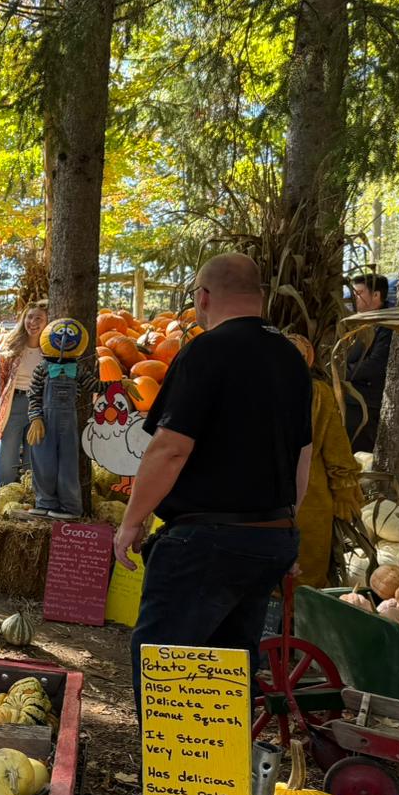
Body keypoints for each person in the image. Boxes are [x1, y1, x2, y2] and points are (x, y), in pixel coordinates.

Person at [113, 253, 312, 708]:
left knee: (164, 663)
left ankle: (172, 772)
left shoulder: (206, 351)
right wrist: (288, 521)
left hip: (207, 539)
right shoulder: (291, 357)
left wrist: (132, 521)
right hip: (270, 536)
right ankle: (219, 773)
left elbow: (171, 447)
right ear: (259, 295)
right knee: (228, 671)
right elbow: (304, 454)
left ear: (203, 297)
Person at [288, 334, 365, 588]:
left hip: (274, 503)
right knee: (304, 578)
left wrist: (344, 487)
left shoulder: (252, 391)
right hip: (308, 498)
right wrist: (345, 487)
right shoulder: (317, 393)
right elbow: (337, 452)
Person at [24, 317, 93, 519]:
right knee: (43, 463)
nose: (63, 340)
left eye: (69, 336)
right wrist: (36, 417)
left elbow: (93, 385)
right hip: (44, 423)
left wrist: (118, 385)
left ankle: (70, 507)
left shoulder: (78, 370)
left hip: (68, 424)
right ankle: (44, 502)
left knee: (68, 465)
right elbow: (33, 395)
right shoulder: (42, 369)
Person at [0, 302, 48, 487]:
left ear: (47, 322)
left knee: (32, 462)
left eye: (39, 318)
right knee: (6, 461)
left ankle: (27, 504)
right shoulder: (12, 344)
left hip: (39, 408)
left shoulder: (50, 349)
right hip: (13, 404)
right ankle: (0, 501)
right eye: (29, 317)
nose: (33, 322)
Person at [344, 273, 392, 453]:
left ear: (376, 295)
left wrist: (343, 372)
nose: (353, 297)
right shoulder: (357, 322)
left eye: (359, 293)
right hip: (350, 395)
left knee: (359, 453)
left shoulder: (388, 325)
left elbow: (376, 364)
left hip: (366, 402)